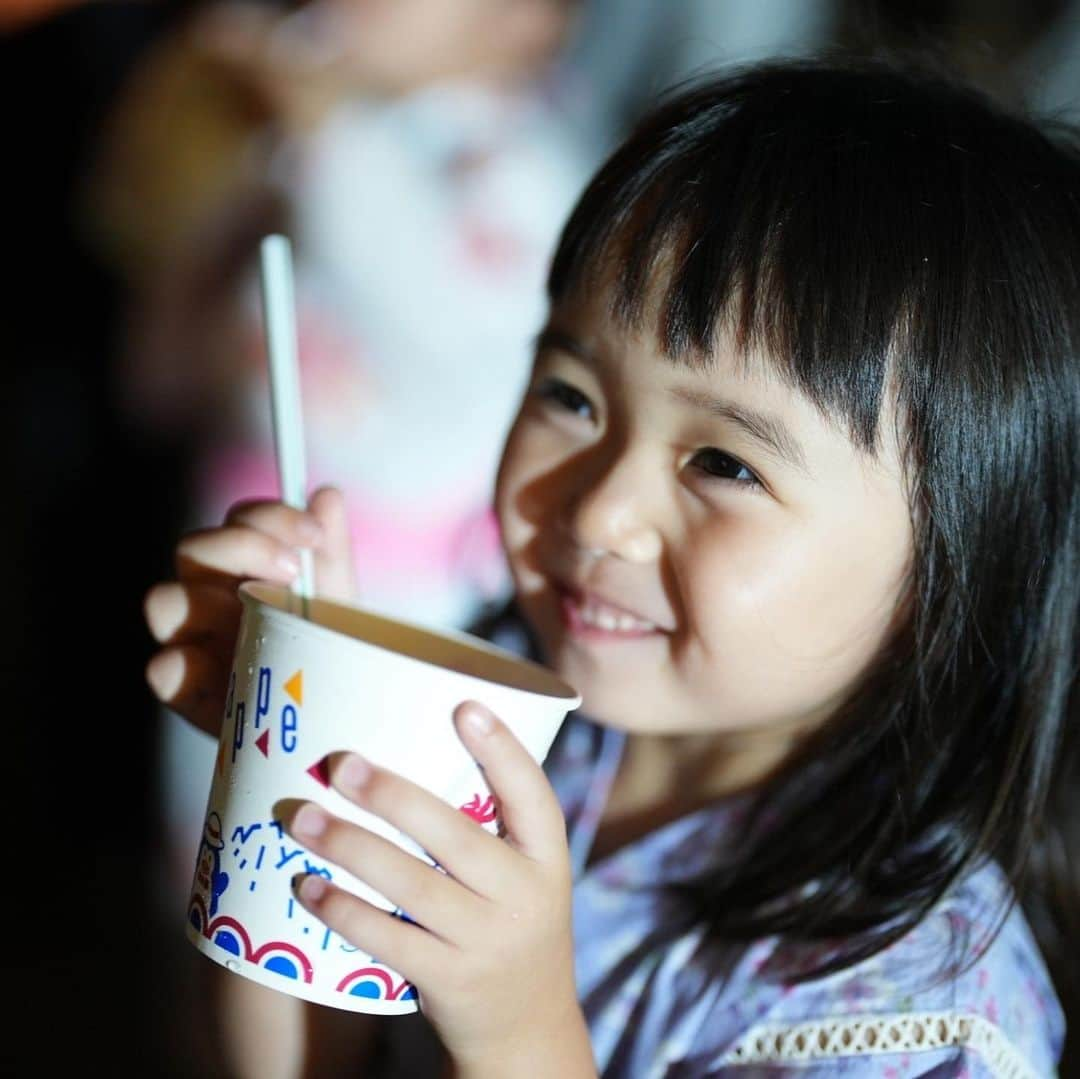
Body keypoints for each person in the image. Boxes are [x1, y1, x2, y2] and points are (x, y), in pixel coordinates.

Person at [143, 52, 1078, 1077]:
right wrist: (296, 764)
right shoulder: (517, 726)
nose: (603, 509)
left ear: (958, 565)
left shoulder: (921, 1019)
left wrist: (520, 1036)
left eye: (725, 461)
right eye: (571, 396)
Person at [86, 0, 602, 908]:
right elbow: (161, 376)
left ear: (532, 17)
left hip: (415, 603)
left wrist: (323, 132)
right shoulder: (294, 151)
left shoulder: (521, 169)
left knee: (344, 882)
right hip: (242, 572)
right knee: (204, 874)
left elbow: (457, 334)